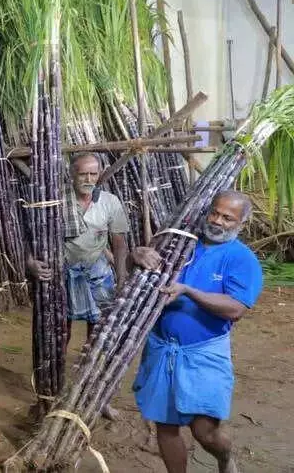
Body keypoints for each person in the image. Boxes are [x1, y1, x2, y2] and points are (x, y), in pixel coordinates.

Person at [131, 190, 261, 473]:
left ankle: (225, 458)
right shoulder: (180, 243)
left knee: (204, 431)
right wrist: (138, 253)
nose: (217, 221)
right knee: (165, 425)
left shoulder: (241, 258)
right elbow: (144, 267)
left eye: (228, 218)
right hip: (162, 347)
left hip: (203, 353)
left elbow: (236, 308)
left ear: (242, 223)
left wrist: (188, 291)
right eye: (215, 212)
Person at [27, 153, 128, 419]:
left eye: (94, 174)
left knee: (100, 337)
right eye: (83, 173)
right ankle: (53, 394)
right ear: (72, 173)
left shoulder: (109, 202)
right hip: (62, 274)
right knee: (59, 335)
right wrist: (31, 264)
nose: (88, 179)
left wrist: (120, 279)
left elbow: (119, 244)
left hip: (97, 272)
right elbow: (32, 241)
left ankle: (99, 397)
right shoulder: (54, 201)